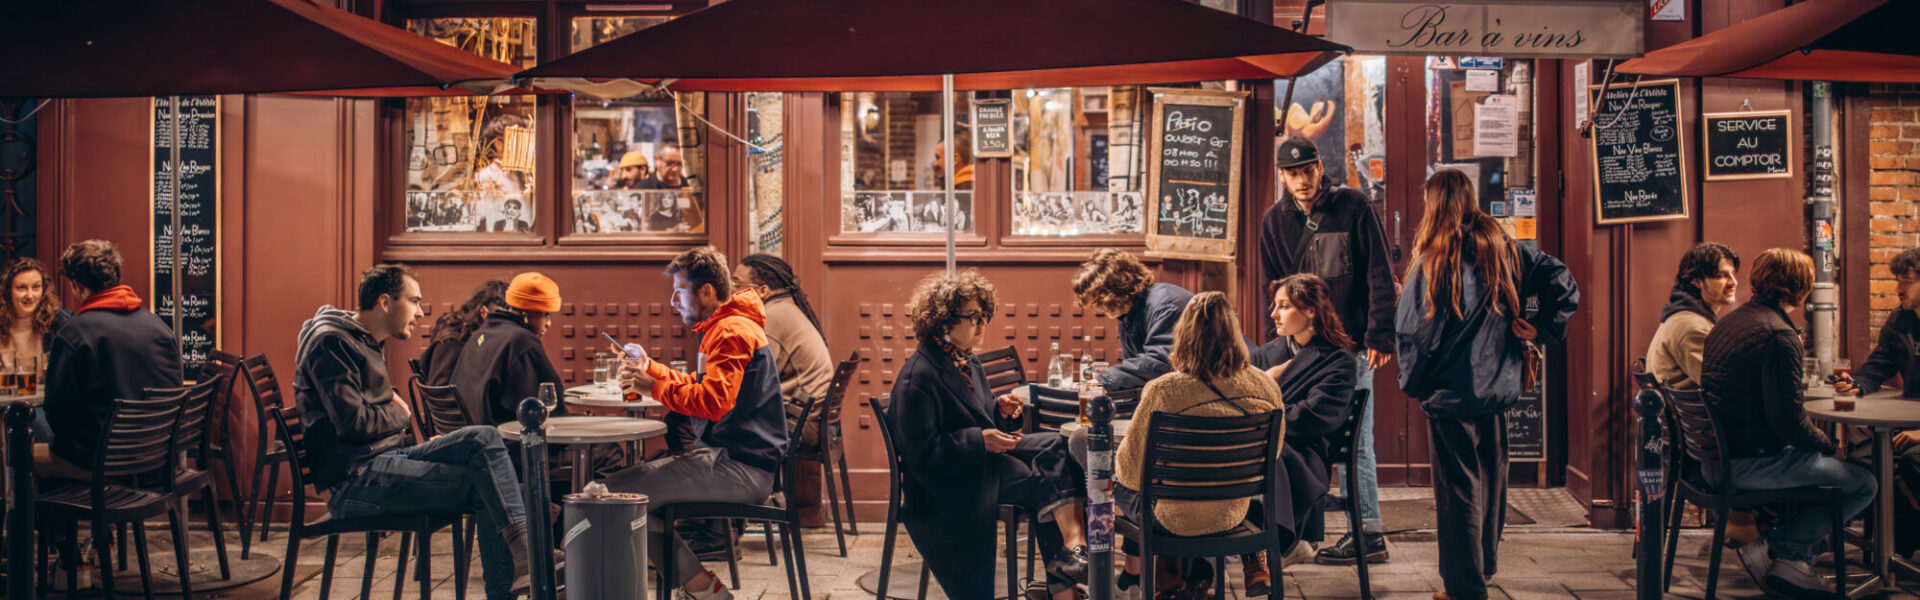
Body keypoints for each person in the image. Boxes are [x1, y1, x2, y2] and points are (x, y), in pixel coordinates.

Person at [293, 263, 533, 600]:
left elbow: (365, 418)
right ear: (386, 302)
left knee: (484, 438)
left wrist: (421, 439)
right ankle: (518, 571)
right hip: (355, 483)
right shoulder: (332, 344)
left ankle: (523, 560)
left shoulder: (359, 340)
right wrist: (398, 411)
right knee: (488, 481)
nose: (420, 312)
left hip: (383, 462)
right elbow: (352, 424)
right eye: (414, 301)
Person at [1395, 170, 1578, 600]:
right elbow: (1562, 280)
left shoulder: (1431, 263)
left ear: (1434, 205)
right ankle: (1485, 567)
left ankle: (1465, 588)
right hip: (1496, 390)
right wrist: (1541, 326)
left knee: (1458, 492)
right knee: (1493, 481)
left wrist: (1413, 383)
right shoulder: (1505, 250)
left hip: (1449, 395)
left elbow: (1414, 336)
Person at [887, 269, 1088, 600]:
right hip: (948, 484)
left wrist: (999, 411)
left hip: (977, 462)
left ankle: (1073, 548)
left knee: (1056, 444)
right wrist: (981, 440)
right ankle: (1064, 588)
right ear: (943, 320)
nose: (982, 325)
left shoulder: (965, 360)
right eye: (973, 317)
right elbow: (920, 454)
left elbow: (973, 416)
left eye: (984, 316)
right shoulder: (918, 376)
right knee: (1041, 480)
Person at [609, 246, 790, 600]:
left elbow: (715, 403)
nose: (673, 302)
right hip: (735, 461)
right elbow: (701, 384)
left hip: (741, 469)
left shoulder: (730, 331)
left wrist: (655, 387)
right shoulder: (728, 326)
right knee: (622, 494)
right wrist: (651, 369)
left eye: (679, 291)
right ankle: (703, 589)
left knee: (617, 497)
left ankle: (701, 591)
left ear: (706, 291)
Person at [1702, 248, 1877, 596]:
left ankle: (1792, 564)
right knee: (1863, 484)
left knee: (1816, 463)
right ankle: (1781, 550)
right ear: (1801, 288)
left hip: (1713, 460)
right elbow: (1790, 425)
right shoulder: (1779, 335)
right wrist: (1831, 447)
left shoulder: (1731, 321)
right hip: (1747, 463)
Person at [1258, 136, 1399, 565]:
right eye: (1292, 174)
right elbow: (1273, 285)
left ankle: (1369, 533)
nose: (1302, 181)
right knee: (1300, 436)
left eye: (1308, 171)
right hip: (1299, 348)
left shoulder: (1354, 206)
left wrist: (1380, 335)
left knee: (1356, 441)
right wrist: (1280, 339)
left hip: (1350, 344)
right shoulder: (1273, 221)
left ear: (1321, 168)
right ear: (1282, 177)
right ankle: (1297, 534)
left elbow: (1379, 272)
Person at [1115, 291, 1287, 600]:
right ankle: (1188, 583)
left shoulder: (1163, 390)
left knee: (1125, 485)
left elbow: (1129, 473)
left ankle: (1156, 581)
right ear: (1236, 335)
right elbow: (1271, 456)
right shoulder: (1266, 386)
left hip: (1172, 519)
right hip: (1231, 512)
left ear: (1182, 336)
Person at [42, 240, 182, 481]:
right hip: (158, 460)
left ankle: (60, 517)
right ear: (116, 276)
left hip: (102, 464)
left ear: (76, 285)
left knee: (23, 455)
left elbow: (57, 412)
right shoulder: (157, 325)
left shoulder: (75, 333)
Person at [1254, 274, 1358, 568]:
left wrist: (1265, 406)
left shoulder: (1339, 360)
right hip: (1265, 443)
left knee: (1267, 455)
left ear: (1310, 309)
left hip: (1304, 454)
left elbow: (1313, 417)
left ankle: (1280, 545)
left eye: (1284, 306)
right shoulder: (1269, 353)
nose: (1273, 313)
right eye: (1275, 305)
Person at [1833, 247, 1920, 559]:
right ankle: (1887, 543)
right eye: (1898, 280)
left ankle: (1896, 543)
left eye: (1906, 281)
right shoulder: (1901, 321)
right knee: (1860, 438)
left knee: (1905, 455)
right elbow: (1877, 366)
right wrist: (1857, 384)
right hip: (1910, 419)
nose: (1898, 288)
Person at [731, 254, 834, 450]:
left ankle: (707, 477)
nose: (731, 291)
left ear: (762, 291)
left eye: (737, 284)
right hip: (807, 420)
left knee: (691, 425)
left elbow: (751, 382)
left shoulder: (771, 318)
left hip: (799, 426)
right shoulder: (784, 308)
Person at [450, 273, 564, 425]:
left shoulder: (482, 333)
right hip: (502, 442)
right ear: (526, 314)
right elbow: (544, 409)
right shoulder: (523, 341)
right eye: (546, 315)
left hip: (474, 437)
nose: (548, 323)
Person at [1073, 249, 1192, 392]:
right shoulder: (1129, 314)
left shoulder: (1166, 305)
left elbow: (1161, 362)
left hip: (1194, 396)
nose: (1096, 307)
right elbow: (1137, 371)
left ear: (1116, 289)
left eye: (1098, 300)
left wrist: (1104, 380)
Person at [1647, 243, 1740, 391]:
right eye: (1722, 276)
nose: (1733, 282)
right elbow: (1720, 387)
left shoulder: (1684, 316)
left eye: (1732, 274)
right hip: (1697, 413)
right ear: (1696, 281)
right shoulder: (1691, 328)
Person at [419, 280, 508, 386]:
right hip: (453, 401)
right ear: (483, 313)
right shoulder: (453, 340)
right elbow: (440, 392)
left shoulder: (476, 336)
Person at [0, 257, 71, 369]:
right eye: (22, 288)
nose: (29, 295)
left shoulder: (60, 322)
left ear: (44, 290)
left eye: (36, 287)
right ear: (8, 291)